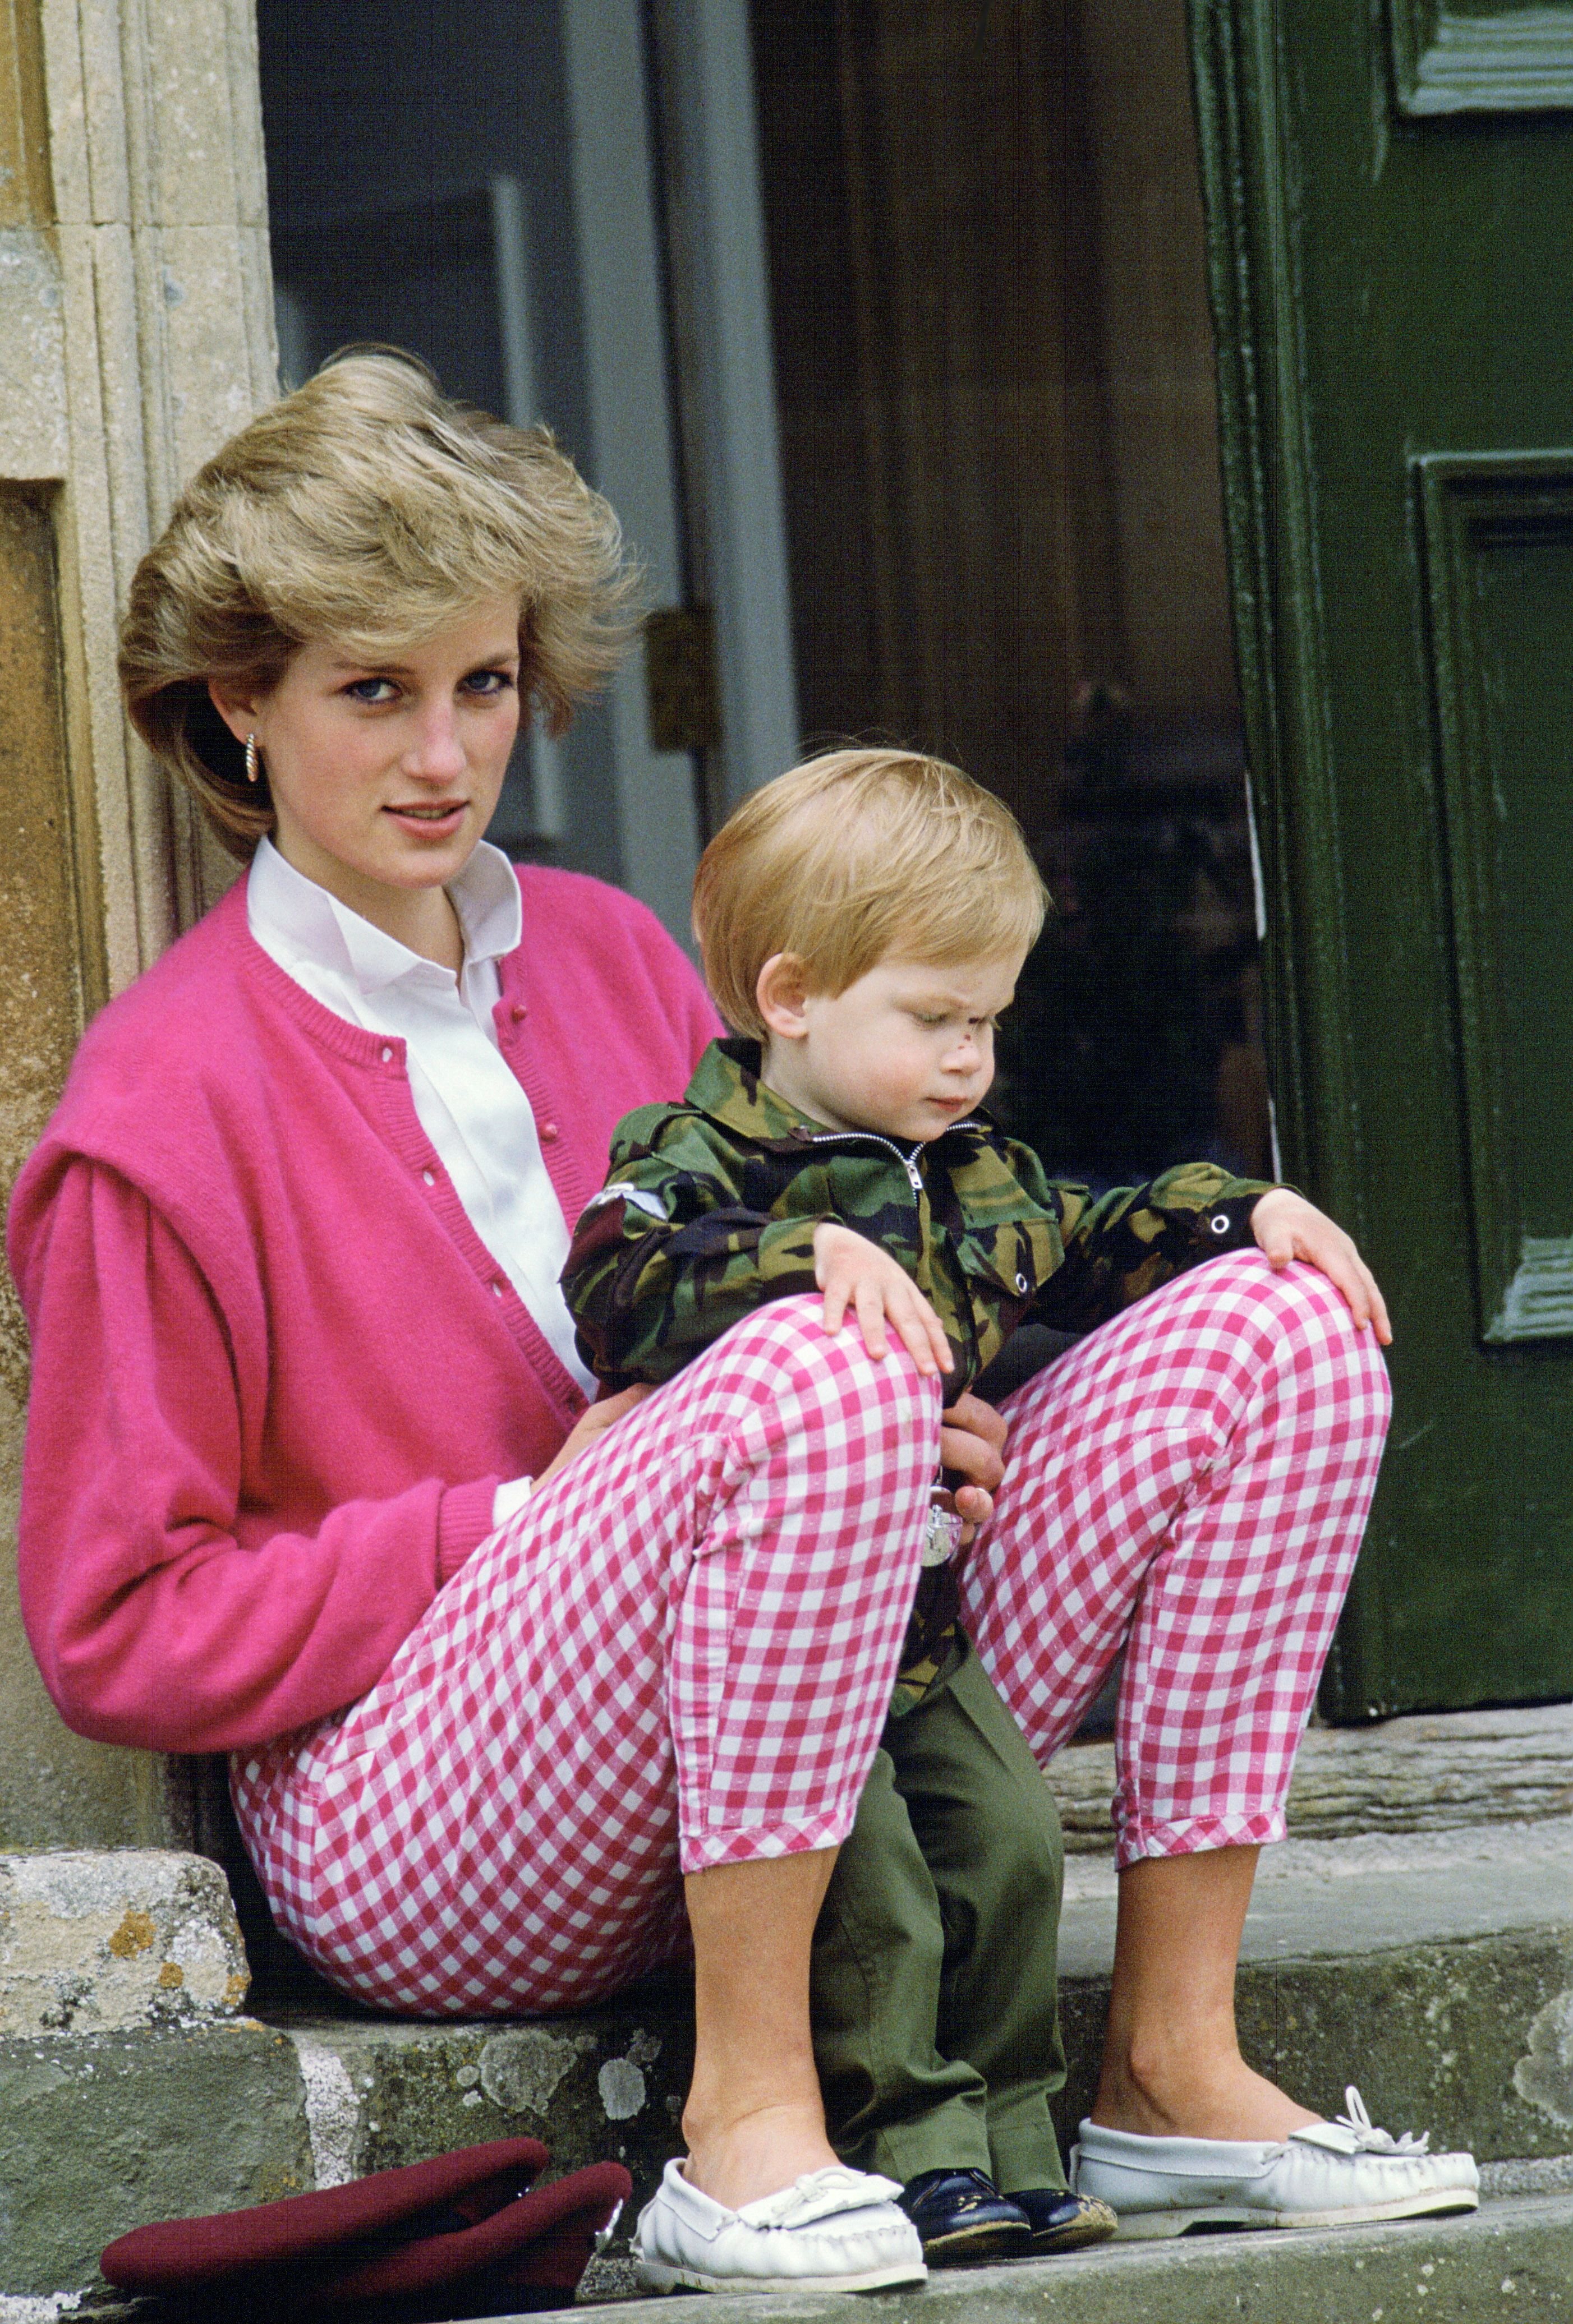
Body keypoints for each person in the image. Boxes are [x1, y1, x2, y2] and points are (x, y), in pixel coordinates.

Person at [6, 355, 1473, 2299]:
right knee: (797, 1360)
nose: (444, 752)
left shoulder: (614, 953)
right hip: (424, 1835)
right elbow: (120, 1629)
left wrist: (923, 1435)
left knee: (1273, 1330)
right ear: (238, 710)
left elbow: (874, 1286)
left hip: (804, 1751)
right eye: (373, 690)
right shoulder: (163, 1106)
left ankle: (1170, 2064)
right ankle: (748, 2128)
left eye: (485, 684)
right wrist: (530, 1515)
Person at [562, 750, 1480, 2265]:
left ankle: (1009, 2142)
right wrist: (793, 1266)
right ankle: (906, 2148)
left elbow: (1090, 1234)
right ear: (789, 995)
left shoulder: (964, 1176)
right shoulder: (695, 1158)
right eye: (932, 1020)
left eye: (986, 1021)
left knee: (1004, 1846)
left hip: (922, 1635)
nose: (967, 1059)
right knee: (884, 1898)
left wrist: (1230, 1212)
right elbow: (616, 1281)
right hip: (773, 1666)